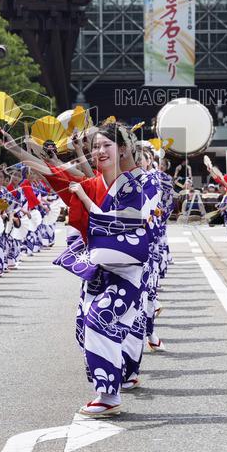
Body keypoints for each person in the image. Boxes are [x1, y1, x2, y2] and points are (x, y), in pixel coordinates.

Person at [67, 123, 160, 418]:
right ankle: (121, 375)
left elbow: (121, 221)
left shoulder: (141, 182)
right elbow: (61, 173)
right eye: (96, 146)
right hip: (98, 269)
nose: (99, 151)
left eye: (106, 145)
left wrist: (84, 199)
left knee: (101, 321)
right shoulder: (97, 182)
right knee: (85, 327)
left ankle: (109, 395)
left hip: (127, 270)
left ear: (122, 149)